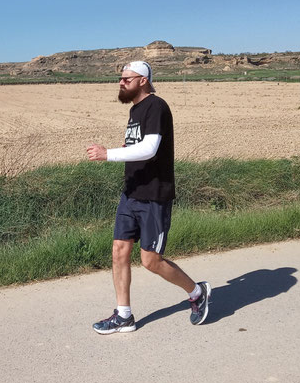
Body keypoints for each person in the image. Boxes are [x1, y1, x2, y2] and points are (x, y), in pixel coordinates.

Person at [86, 61, 210, 334]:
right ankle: (123, 315)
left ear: (142, 80)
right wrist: (124, 148)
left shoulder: (156, 106)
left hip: (154, 194)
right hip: (131, 192)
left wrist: (109, 154)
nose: (121, 82)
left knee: (150, 261)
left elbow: (151, 149)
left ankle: (197, 292)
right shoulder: (136, 109)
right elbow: (138, 146)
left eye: (126, 79)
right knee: (119, 251)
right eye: (120, 78)